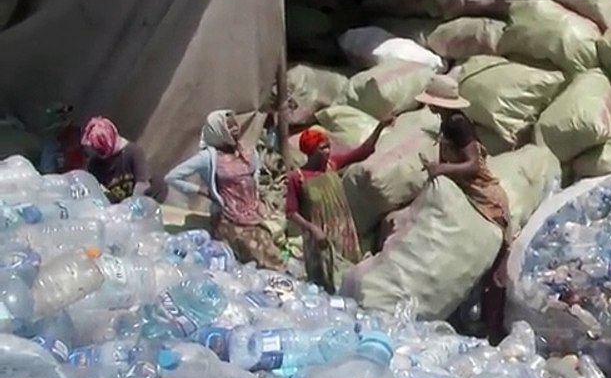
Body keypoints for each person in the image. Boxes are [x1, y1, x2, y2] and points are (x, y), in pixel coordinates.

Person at [417, 75, 513, 344]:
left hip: (487, 200)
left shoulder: (458, 124)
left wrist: (442, 169)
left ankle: (495, 332)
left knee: (494, 271)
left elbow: (473, 164)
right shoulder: (446, 123)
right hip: (469, 197)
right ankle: (475, 323)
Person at [165, 110, 285, 271]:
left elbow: (254, 178)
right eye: (229, 126)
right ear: (218, 130)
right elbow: (172, 177)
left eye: (235, 125)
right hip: (227, 219)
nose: (235, 129)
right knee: (257, 254)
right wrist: (202, 191)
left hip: (253, 216)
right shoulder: (209, 158)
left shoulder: (247, 153)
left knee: (269, 250)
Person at [285, 121, 390, 292]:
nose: (327, 151)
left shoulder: (332, 165)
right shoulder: (297, 178)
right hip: (319, 238)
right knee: (324, 280)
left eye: (328, 147)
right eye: (322, 148)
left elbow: (363, 151)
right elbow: (290, 212)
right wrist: (312, 229)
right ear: (311, 152)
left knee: (348, 275)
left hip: (343, 232)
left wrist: (380, 127)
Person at [80, 117, 168, 204]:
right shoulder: (95, 164)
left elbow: (142, 185)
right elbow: (93, 190)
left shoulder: (133, 152)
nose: (92, 156)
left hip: (154, 199)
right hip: (124, 205)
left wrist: (131, 208)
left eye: (96, 150)